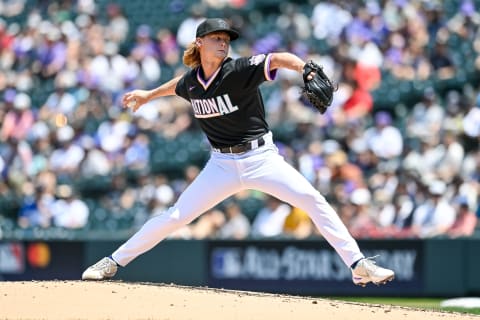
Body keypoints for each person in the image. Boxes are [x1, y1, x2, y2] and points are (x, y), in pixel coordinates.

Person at [82, 18, 394, 287]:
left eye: (226, 39)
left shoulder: (239, 69)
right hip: (221, 165)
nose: (223, 43)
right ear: (200, 43)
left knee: (313, 200)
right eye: (216, 38)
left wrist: (305, 70)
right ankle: (112, 262)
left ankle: (358, 265)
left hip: (261, 158)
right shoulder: (192, 82)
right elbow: (179, 85)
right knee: (174, 216)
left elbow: (277, 58)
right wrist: (148, 95)